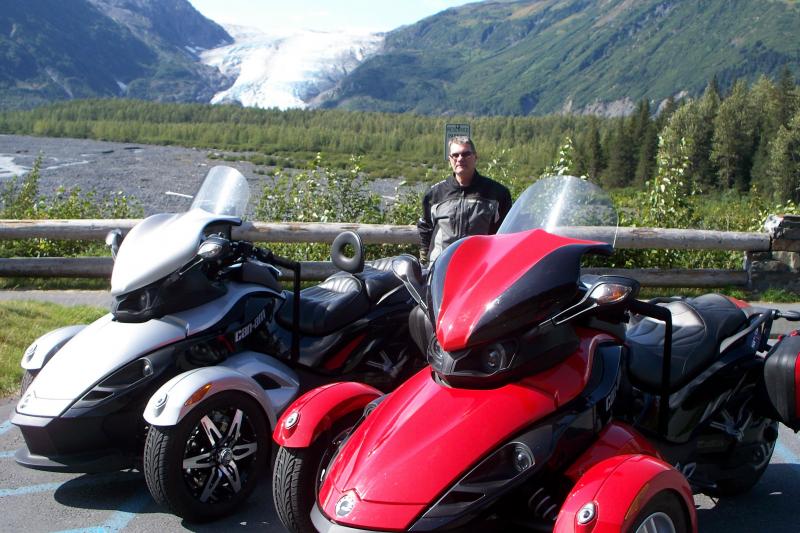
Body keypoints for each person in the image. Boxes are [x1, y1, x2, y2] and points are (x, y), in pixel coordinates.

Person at [418, 136, 512, 263]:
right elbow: (425, 228)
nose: (460, 159)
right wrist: (424, 261)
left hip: (479, 267)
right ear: (450, 159)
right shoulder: (435, 193)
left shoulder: (497, 193)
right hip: (441, 267)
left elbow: (506, 232)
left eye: (466, 154)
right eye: (455, 155)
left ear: (475, 157)